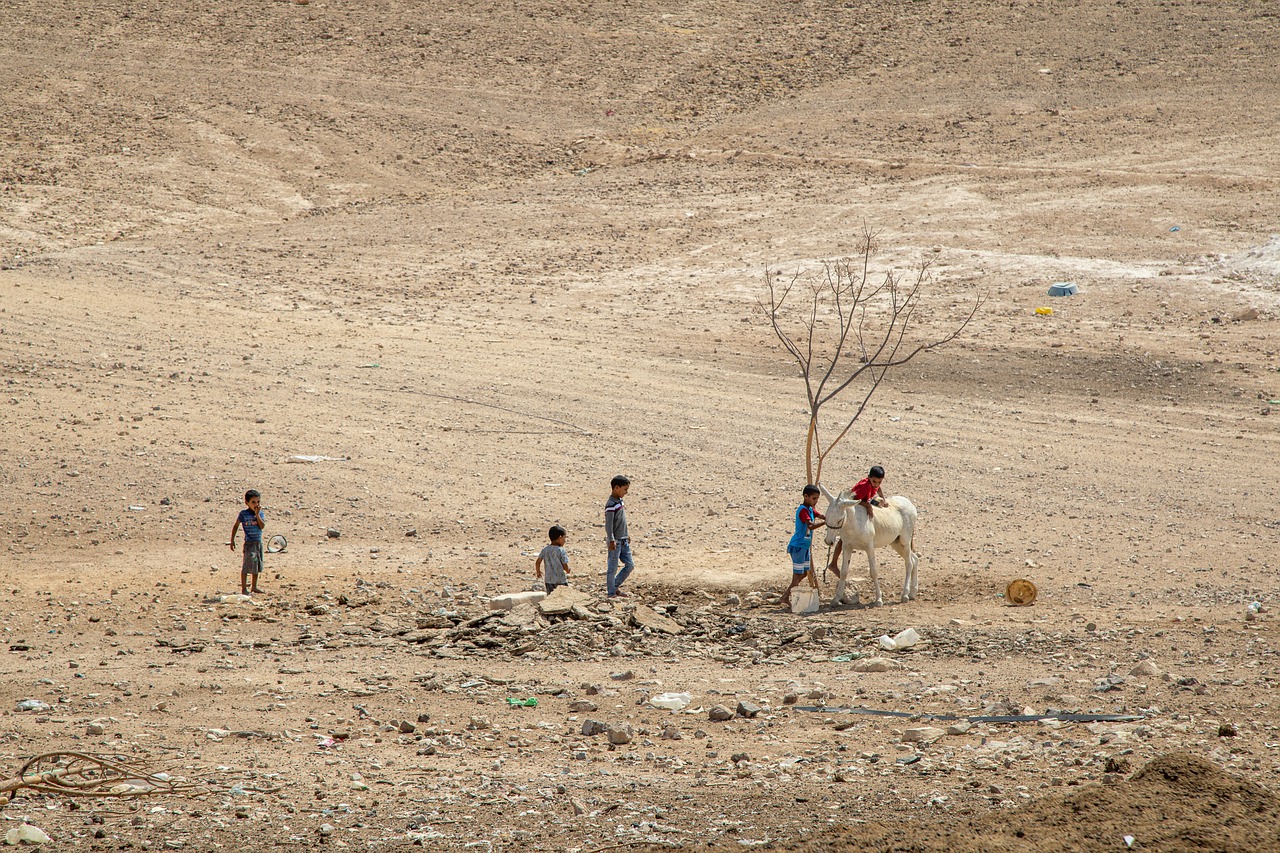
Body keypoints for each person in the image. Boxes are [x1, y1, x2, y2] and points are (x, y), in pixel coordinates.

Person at [827, 465, 889, 573]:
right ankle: (834, 563)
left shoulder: (874, 484)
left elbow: (878, 488)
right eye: (874, 481)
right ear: (869, 477)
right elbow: (855, 499)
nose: (876, 484)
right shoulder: (865, 486)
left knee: (880, 503)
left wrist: (883, 498)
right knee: (845, 537)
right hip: (853, 505)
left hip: (865, 500)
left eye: (879, 482)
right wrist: (868, 506)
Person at [782, 484, 825, 609]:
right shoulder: (803, 511)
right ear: (806, 497)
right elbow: (810, 525)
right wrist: (825, 523)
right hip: (798, 546)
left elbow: (821, 515)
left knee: (803, 574)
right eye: (813, 499)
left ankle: (786, 596)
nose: (815, 501)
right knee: (797, 574)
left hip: (805, 547)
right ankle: (791, 598)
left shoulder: (811, 509)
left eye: (817, 499)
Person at [230, 489, 266, 595]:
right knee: (246, 565)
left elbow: (262, 526)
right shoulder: (243, 514)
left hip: (257, 543)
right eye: (253, 502)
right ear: (247, 503)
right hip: (249, 544)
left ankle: (254, 586)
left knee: (256, 565)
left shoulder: (260, 514)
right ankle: (244, 588)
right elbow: (236, 526)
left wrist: (257, 515)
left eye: (258, 502)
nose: (256, 504)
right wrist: (232, 540)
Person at [604, 475, 634, 598]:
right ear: (616, 488)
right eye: (625, 489)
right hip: (615, 541)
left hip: (623, 540)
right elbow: (609, 525)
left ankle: (615, 586)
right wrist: (611, 540)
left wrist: (626, 535)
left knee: (630, 565)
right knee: (612, 568)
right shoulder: (611, 504)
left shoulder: (620, 501)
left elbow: (622, 521)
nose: (626, 492)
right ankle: (611, 593)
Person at [535, 525, 571, 593]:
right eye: (564, 538)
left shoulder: (545, 550)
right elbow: (564, 564)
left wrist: (538, 572)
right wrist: (568, 570)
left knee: (551, 596)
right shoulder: (561, 550)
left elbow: (538, 562)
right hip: (560, 580)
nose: (565, 540)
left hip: (549, 580)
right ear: (560, 538)